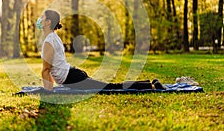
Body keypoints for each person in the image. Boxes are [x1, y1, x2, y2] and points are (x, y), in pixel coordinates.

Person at [37, 10, 166, 91]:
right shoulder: (53, 38)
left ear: (48, 22)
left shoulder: (49, 41)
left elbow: (46, 70)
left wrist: (48, 93)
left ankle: (152, 86)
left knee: (111, 88)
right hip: (72, 75)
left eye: (42, 17)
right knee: (110, 86)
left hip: (72, 77)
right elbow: (49, 70)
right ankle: (150, 84)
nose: (40, 20)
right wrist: (50, 88)